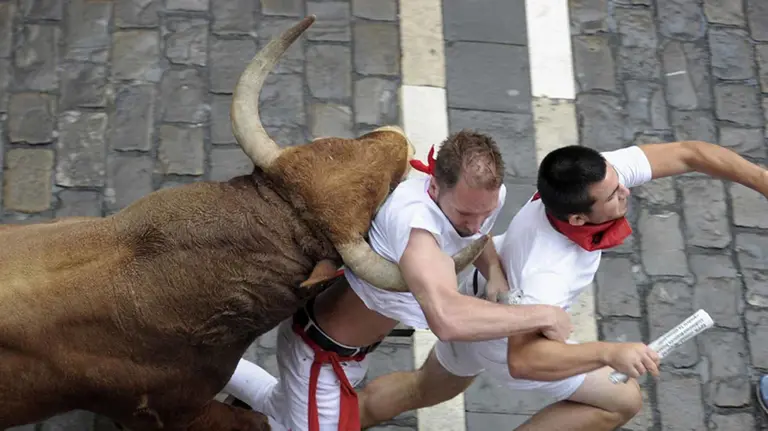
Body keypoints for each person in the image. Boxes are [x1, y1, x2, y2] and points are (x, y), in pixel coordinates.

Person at [356, 140, 768, 431]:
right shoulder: (548, 273)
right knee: (622, 401)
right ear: (577, 220)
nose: (625, 189)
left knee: (424, 387)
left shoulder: (589, 179)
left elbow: (689, 153)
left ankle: (336, 419)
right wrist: (610, 352)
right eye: (613, 195)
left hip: (482, 292)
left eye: (617, 181)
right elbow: (526, 361)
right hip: (505, 339)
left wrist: (762, 180)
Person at [221, 130, 572, 431]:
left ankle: (203, 365)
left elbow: (479, 235)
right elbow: (448, 320)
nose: (477, 223)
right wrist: (544, 315)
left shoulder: (479, 200)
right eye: (466, 214)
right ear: (433, 186)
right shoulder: (415, 229)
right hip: (319, 357)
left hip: (349, 352)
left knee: (278, 403)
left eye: (486, 211)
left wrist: (493, 272)